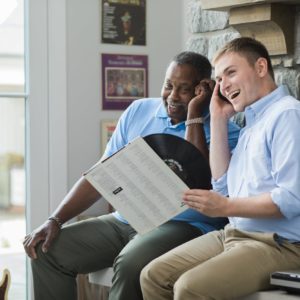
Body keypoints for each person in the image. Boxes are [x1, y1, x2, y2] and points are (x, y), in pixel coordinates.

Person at [23, 51, 240, 300]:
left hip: (186, 226)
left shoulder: (225, 130)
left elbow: (198, 178)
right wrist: (55, 219)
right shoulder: (138, 111)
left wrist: (194, 114)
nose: (172, 96)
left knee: (130, 264)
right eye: (169, 85)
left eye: (184, 89)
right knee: (47, 250)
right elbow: (102, 175)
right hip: (126, 220)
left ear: (203, 91)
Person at [140, 37, 300, 300]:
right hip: (235, 234)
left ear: (261, 68)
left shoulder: (287, 115)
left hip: (280, 244)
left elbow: (292, 199)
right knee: (153, 275)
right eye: (219, 79)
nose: (223, 84)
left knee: (189, 288)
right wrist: (217, 118)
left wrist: (225, 208)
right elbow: (222, 185)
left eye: (231, 73)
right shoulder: (253, 122)